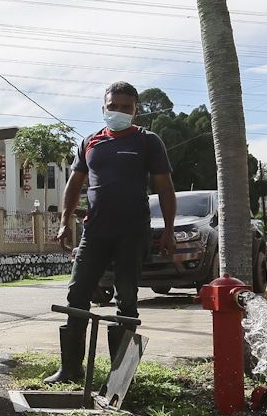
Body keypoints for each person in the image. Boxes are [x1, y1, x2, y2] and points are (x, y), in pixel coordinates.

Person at [46, 80, 176, 385]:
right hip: (95, 232)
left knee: (127, 300)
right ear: (103, 107)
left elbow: (165, 187)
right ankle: (70, 370)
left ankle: (120, 378)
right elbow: (75, 183)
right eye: (112, 106)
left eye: (125, 107)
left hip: (132, 233)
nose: (118, 111)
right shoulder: (90, 142)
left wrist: (168, 230)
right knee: (77, 294)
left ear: (135, 110)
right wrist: (65, 219)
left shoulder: (148, 141)